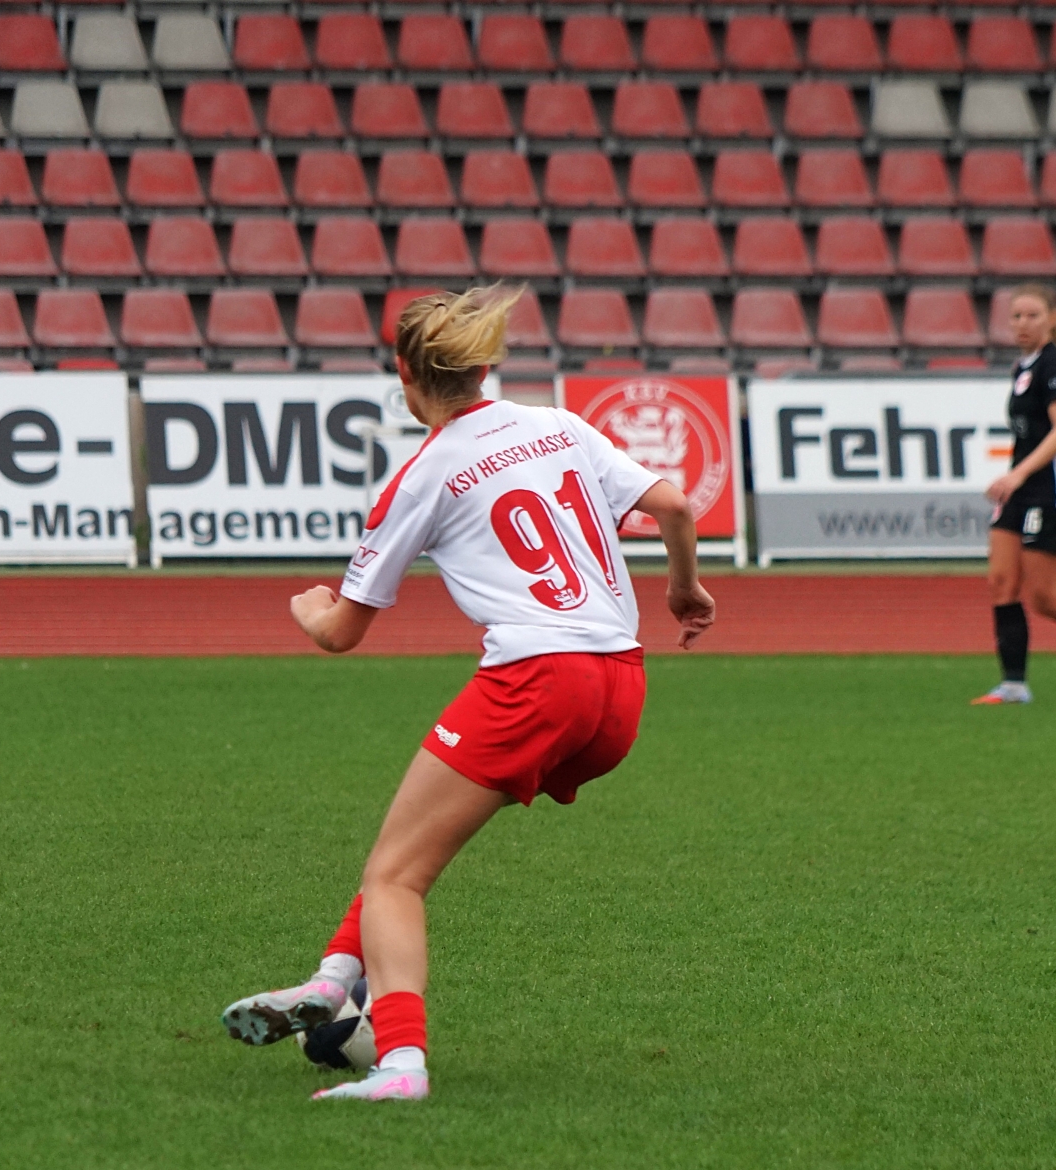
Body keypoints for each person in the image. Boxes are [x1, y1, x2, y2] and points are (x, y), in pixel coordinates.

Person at [220, 286, 716, 1101]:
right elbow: (672, 505)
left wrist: (309, 609)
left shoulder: (424, 473)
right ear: (484, 370)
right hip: (620, 690)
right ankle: (332, 979)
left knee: (396, 879)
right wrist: (683, 589)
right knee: (406, 849)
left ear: (405, 375)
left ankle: (400, 1063)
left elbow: (343, 632)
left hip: (535, 680)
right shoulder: (557, 424)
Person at [972, 284, 1056, 706]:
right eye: (1016, 316)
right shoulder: (1023, 367)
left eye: (1032, 315)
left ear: (1052, 318)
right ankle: (1013, 684)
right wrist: (1015, 479)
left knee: (1044, 599)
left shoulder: (1055, 366)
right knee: (1001, 581)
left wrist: (1017, 474)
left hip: (1052, 493)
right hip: (1020, 490)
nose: (1023, 324)